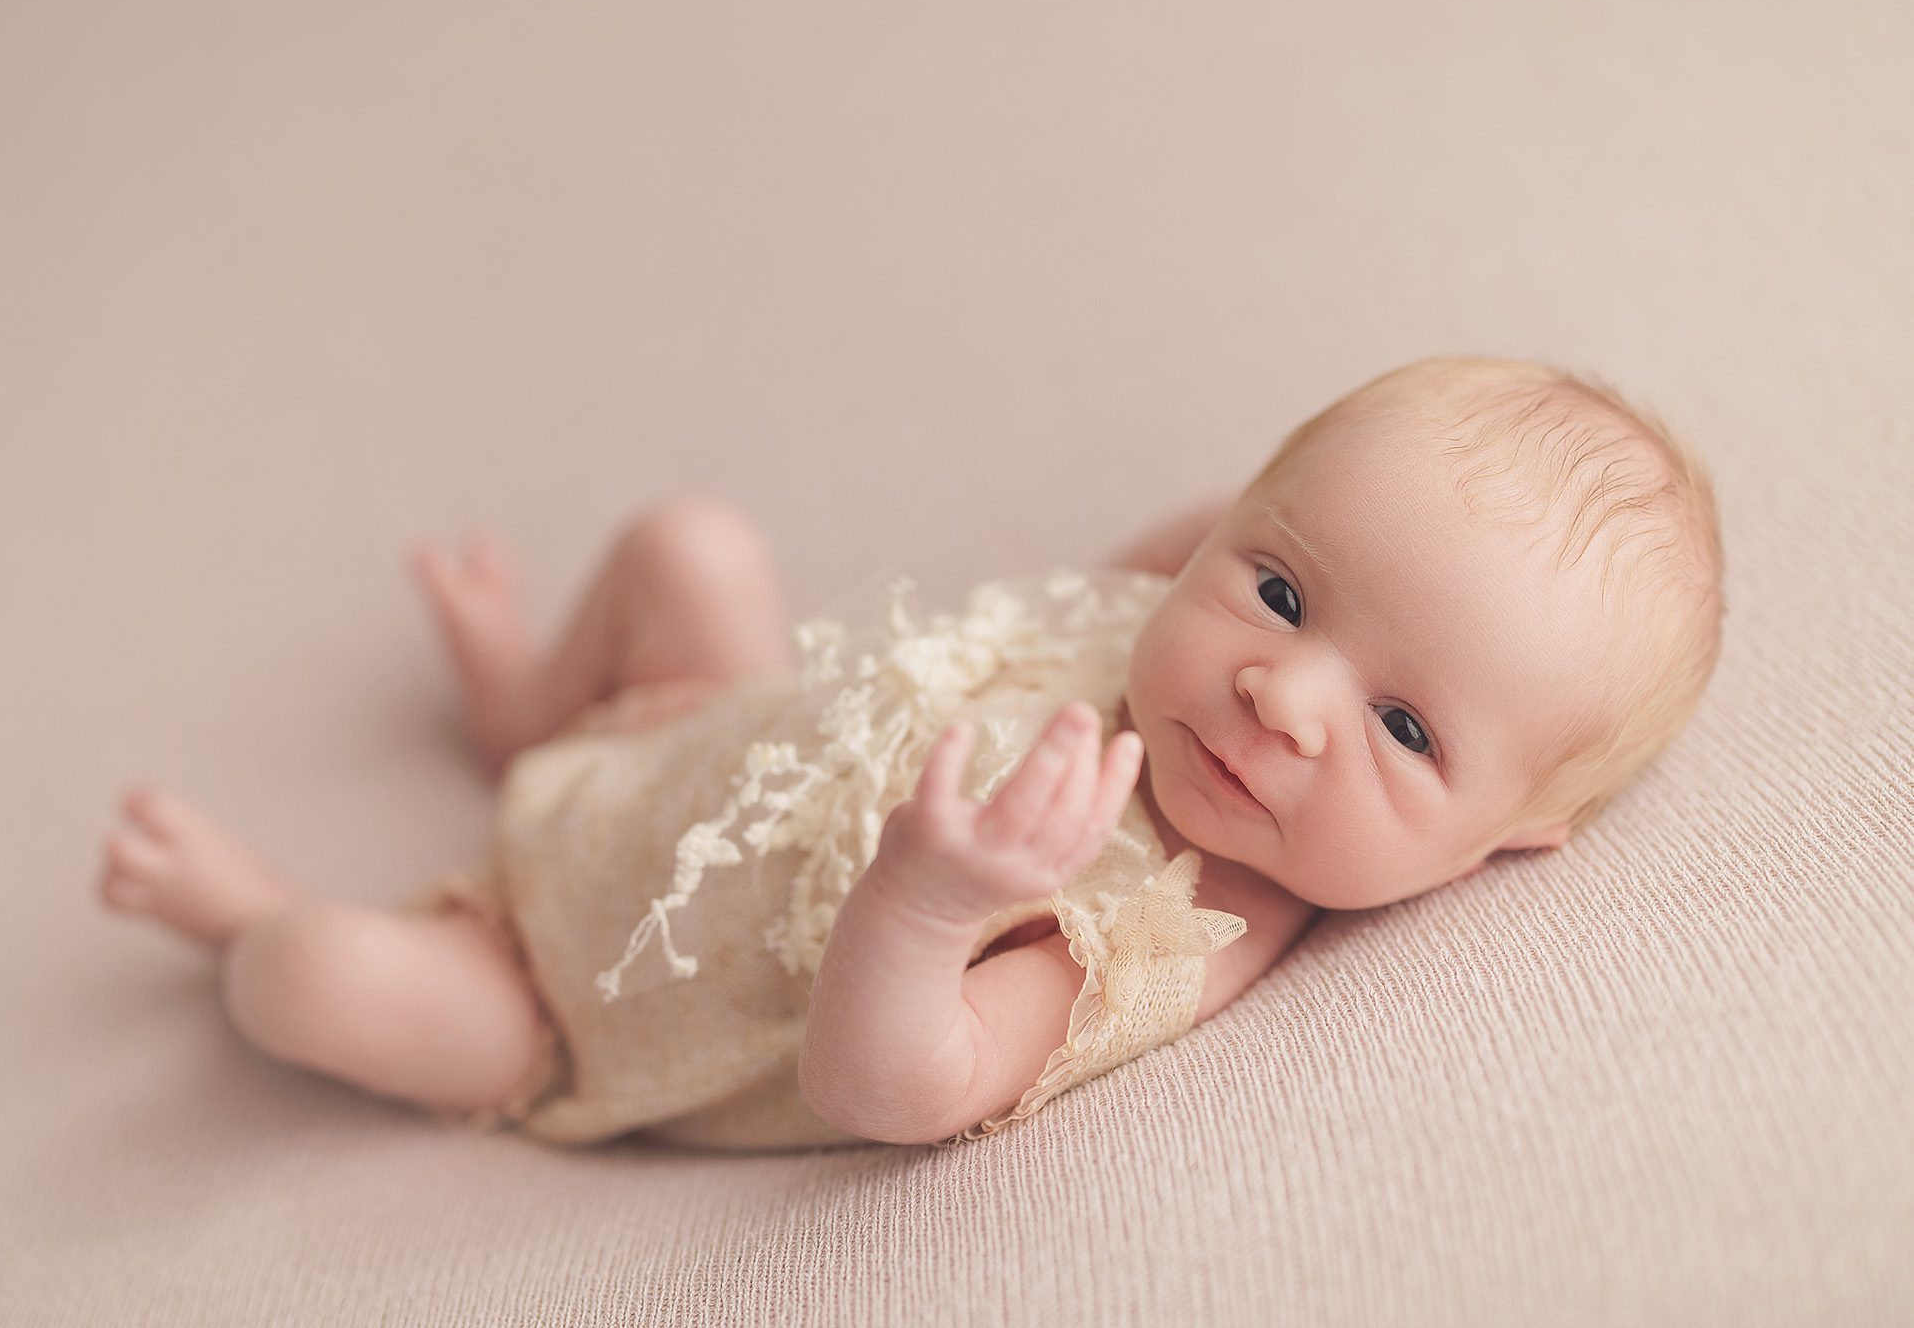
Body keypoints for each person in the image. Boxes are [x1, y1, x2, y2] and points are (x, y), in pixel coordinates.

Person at [95, 356, 1724, 1149]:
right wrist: (1263, 534)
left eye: (1407, 726)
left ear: (1509, 835)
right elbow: (1167, 554)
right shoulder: (1190, 629)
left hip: (571, 980)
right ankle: (526, 709)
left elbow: (901, 1090)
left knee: (318, 974)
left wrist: (932, 906)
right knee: (696, 547)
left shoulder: (1184, 918)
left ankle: (240, 915)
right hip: (704, 751)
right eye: (1285, 586)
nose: (1284, 697)